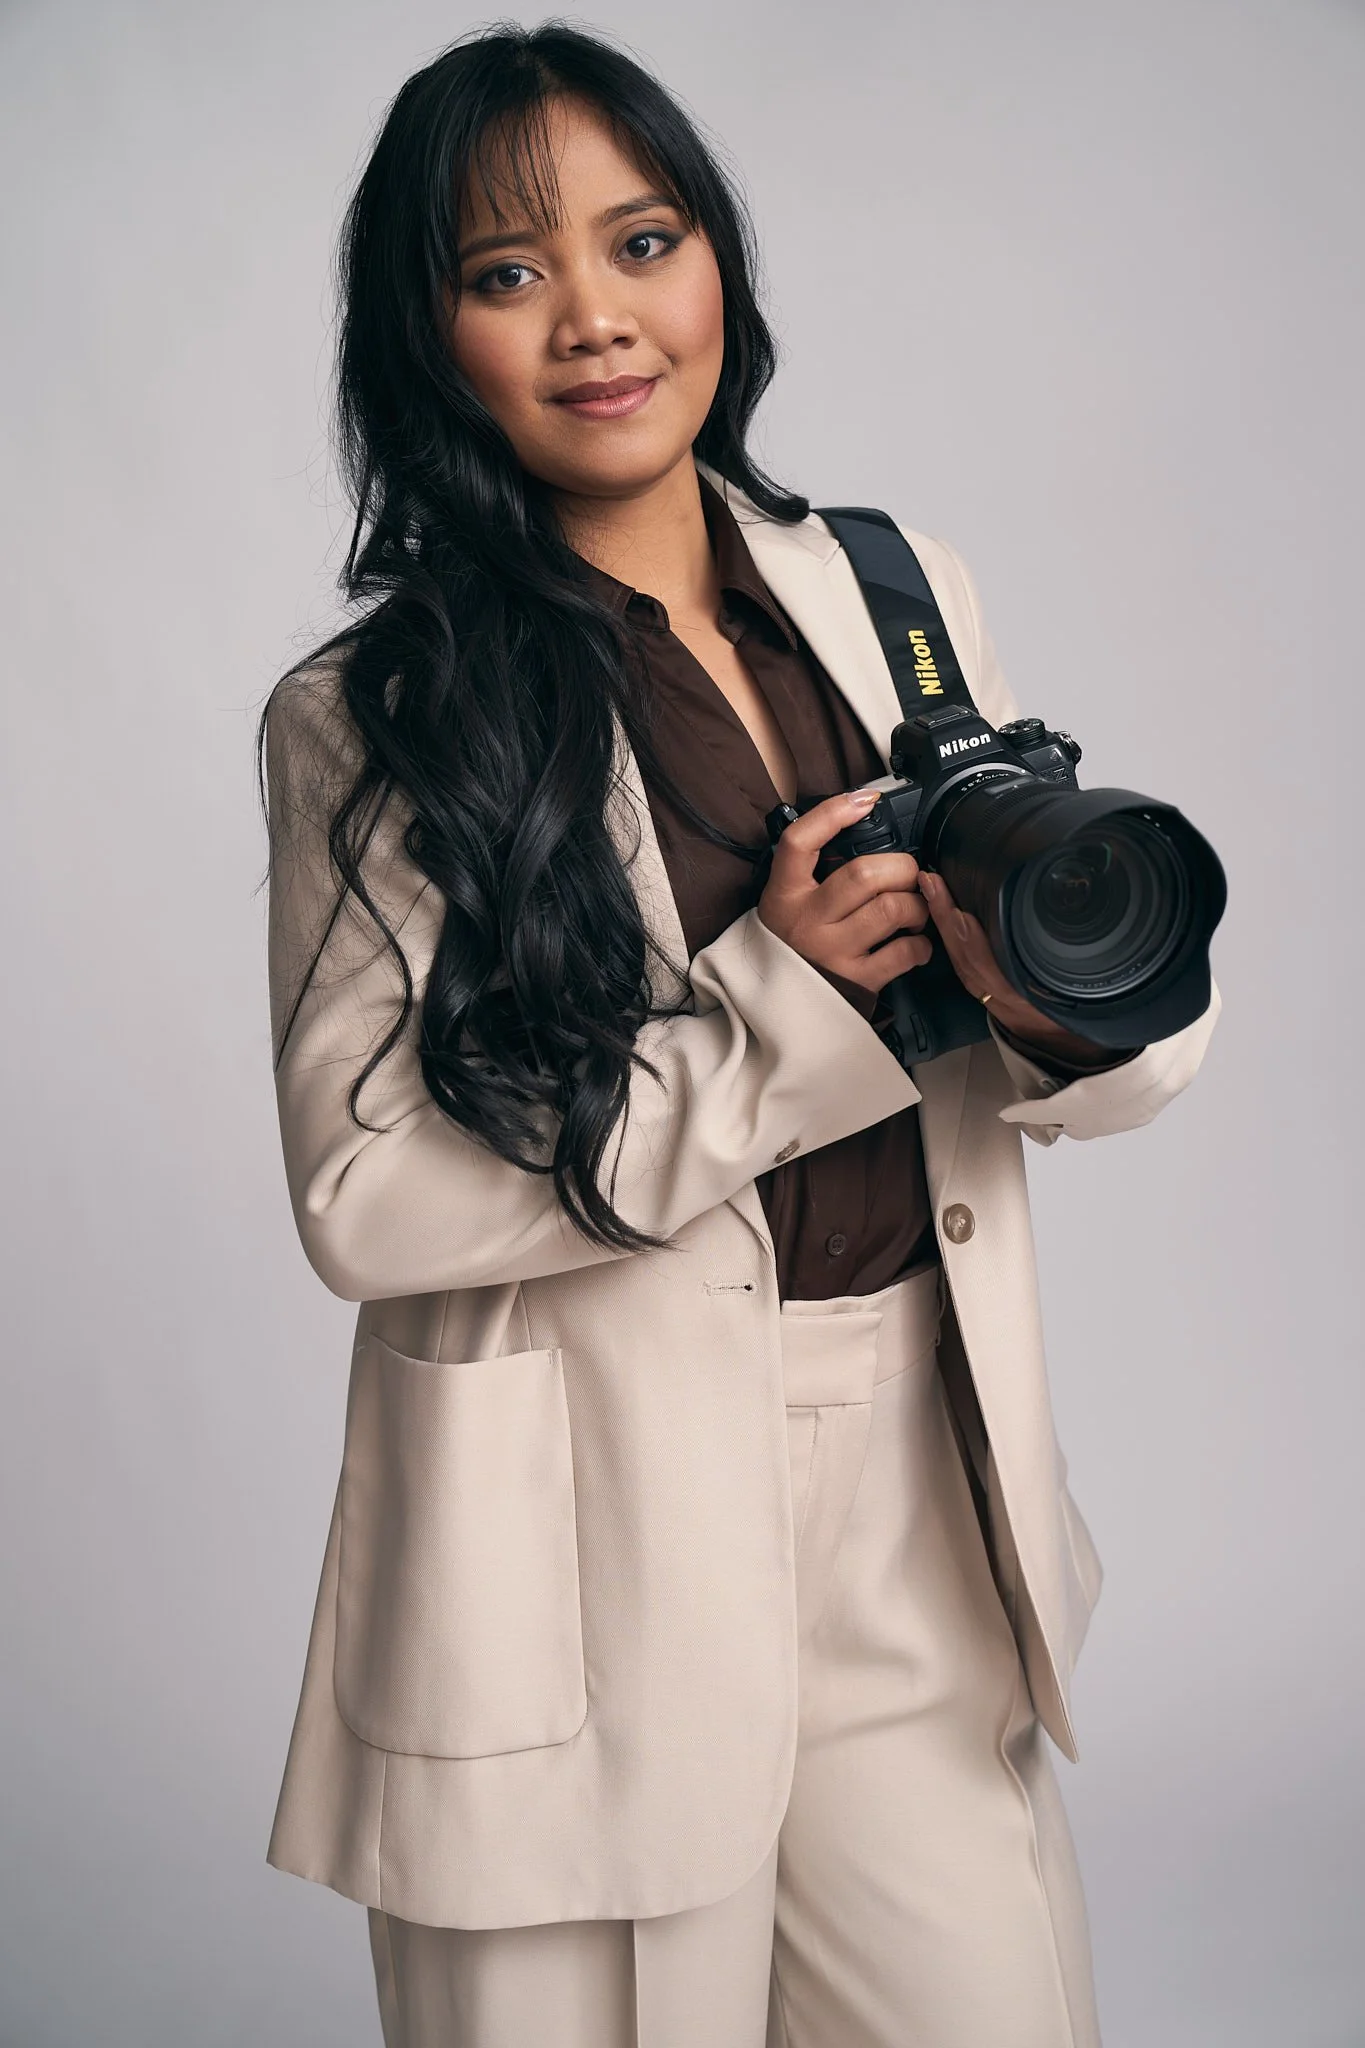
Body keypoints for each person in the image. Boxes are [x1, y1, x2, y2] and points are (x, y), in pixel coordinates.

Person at [256, 24, 1220, 2048]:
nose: (595, 318)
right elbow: (364, 1196)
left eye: (643, 240)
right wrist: (791, 1007)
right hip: (576, 1534)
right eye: (506, 271)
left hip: (916, 1488)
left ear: (719, 263)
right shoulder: (384, 709)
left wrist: (1037, 1003)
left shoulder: (896, 588)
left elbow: (1089, 1063)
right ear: (428, 336)